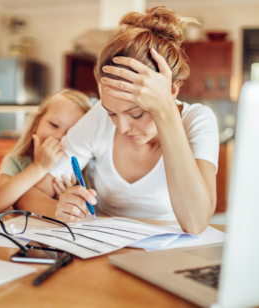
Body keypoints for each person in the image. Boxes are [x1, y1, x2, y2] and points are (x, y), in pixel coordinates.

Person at [17, 6, 219, 235]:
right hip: (103, 246)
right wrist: (58, 208)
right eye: (112, 113)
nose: (121, 127)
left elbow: (195, 222)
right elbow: (29, 194)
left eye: (136, 114)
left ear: (171, 91)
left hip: (168, 252)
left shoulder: (197, 120)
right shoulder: (98, 118)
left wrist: (166, 113)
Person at [0, 89, 92, 213]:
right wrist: (39, 167)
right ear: (37, 123)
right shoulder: (18, 161)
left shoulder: (83, 169)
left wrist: (64, 200)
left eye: (70, 133)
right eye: (54, 125)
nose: (60, 136)